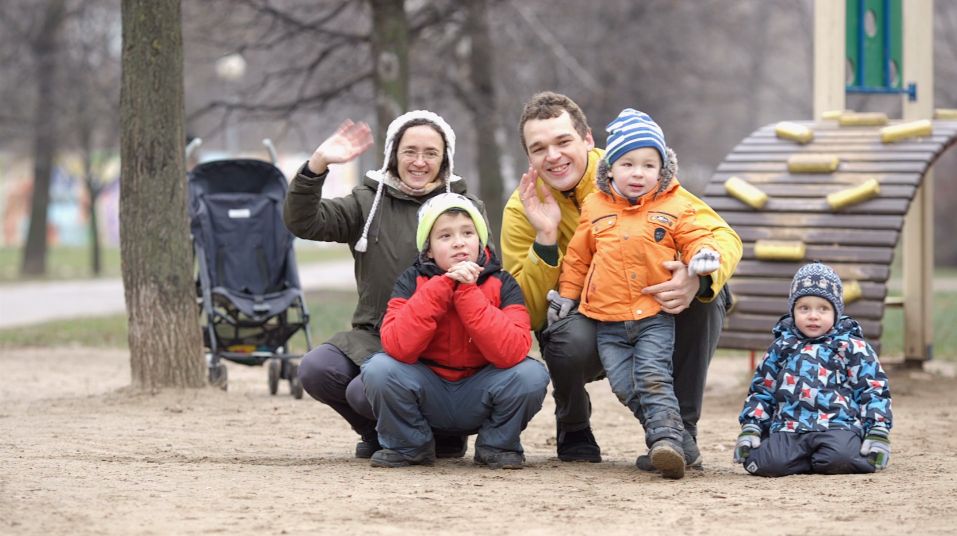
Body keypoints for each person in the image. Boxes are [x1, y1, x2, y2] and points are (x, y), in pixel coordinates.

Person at [500, 91, 742, 468]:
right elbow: (526, 311)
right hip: (589, 316)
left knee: (710, 294)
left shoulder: (634, 168)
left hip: (652, 306)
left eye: (563, 141)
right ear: (528, 157)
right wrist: (545, 240)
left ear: (587, 139)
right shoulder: (522, 208)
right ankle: (574, 421)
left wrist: (698, 279)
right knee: (565, 336)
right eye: (539, 148)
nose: (553, 156)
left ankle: (681, 430)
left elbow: (719, 234)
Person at [285, 110, 486, 459]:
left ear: (445, 159)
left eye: (431, 153)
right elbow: (304, 223)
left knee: (364, 391)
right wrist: (317, 165)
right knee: (317, 369)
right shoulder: (366, 202)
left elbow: (488, 272)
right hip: (376, 335)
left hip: (439, 342)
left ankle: (442, 434)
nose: (419, 162)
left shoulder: (465, 208)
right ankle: (379, 432)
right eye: (410, 151)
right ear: (394, 153)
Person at [553, 109, 722, 479]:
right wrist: (567, 295)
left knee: (651, 376)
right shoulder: (595, 206)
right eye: (627, 164)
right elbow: (578, 257)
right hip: (608, 319)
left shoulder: (675, 205)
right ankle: (678, 443)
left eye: (648, 165)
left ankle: (665, 442)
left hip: (653, 315)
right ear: (610, 169)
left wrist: (703, 256)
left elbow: (697, 235)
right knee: (625, 386)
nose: (637, 173)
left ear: (662, 170)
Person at [360, 193, 549, 469]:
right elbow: (398, 346)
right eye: (445, 236)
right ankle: (410, 446)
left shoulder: (503, 282)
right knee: (379, 368)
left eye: (467, 233)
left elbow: (513, 352)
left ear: (480, 241)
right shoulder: (410, 280)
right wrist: (442, 286)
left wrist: (467, 292)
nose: (459, 242)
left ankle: (496, 446)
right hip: (428, 392)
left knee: (531, 374)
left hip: (481, 392)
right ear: (428, 250)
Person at [733, 262, 893, 477]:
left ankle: (820, 458)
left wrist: (878, 430)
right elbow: (763, 389)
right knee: (765, 464)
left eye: (823, 308)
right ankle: (800, 458)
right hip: (789, 427)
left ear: (836, 312)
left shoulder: (852, 347)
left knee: (841, 459)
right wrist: (752, 427)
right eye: (804, 308)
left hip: (838, 425)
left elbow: (873, 388)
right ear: (793, 311)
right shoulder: (781, 347)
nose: (813, 316)